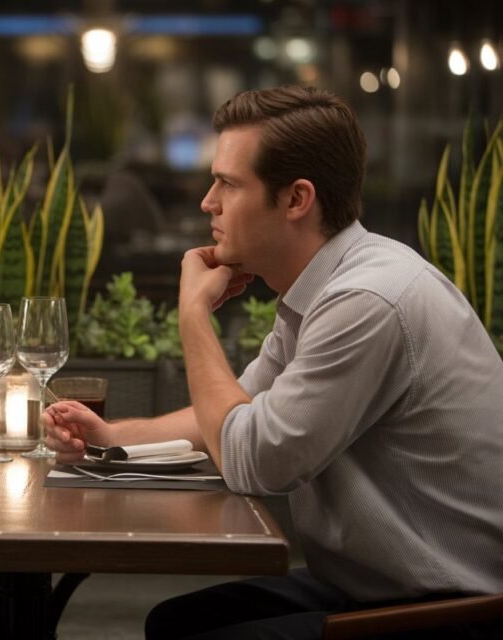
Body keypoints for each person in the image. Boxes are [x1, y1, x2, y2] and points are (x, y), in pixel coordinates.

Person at [43, 86, 503, 639]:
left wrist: (193, 314)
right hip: (372, 584)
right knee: (175, 623)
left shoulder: (368, 301)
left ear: (295, 199)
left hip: (453, 609)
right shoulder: (320, 291)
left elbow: (251, 457)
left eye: (228, 184)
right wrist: (111, 436)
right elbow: (233, 417)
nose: (207, 202)